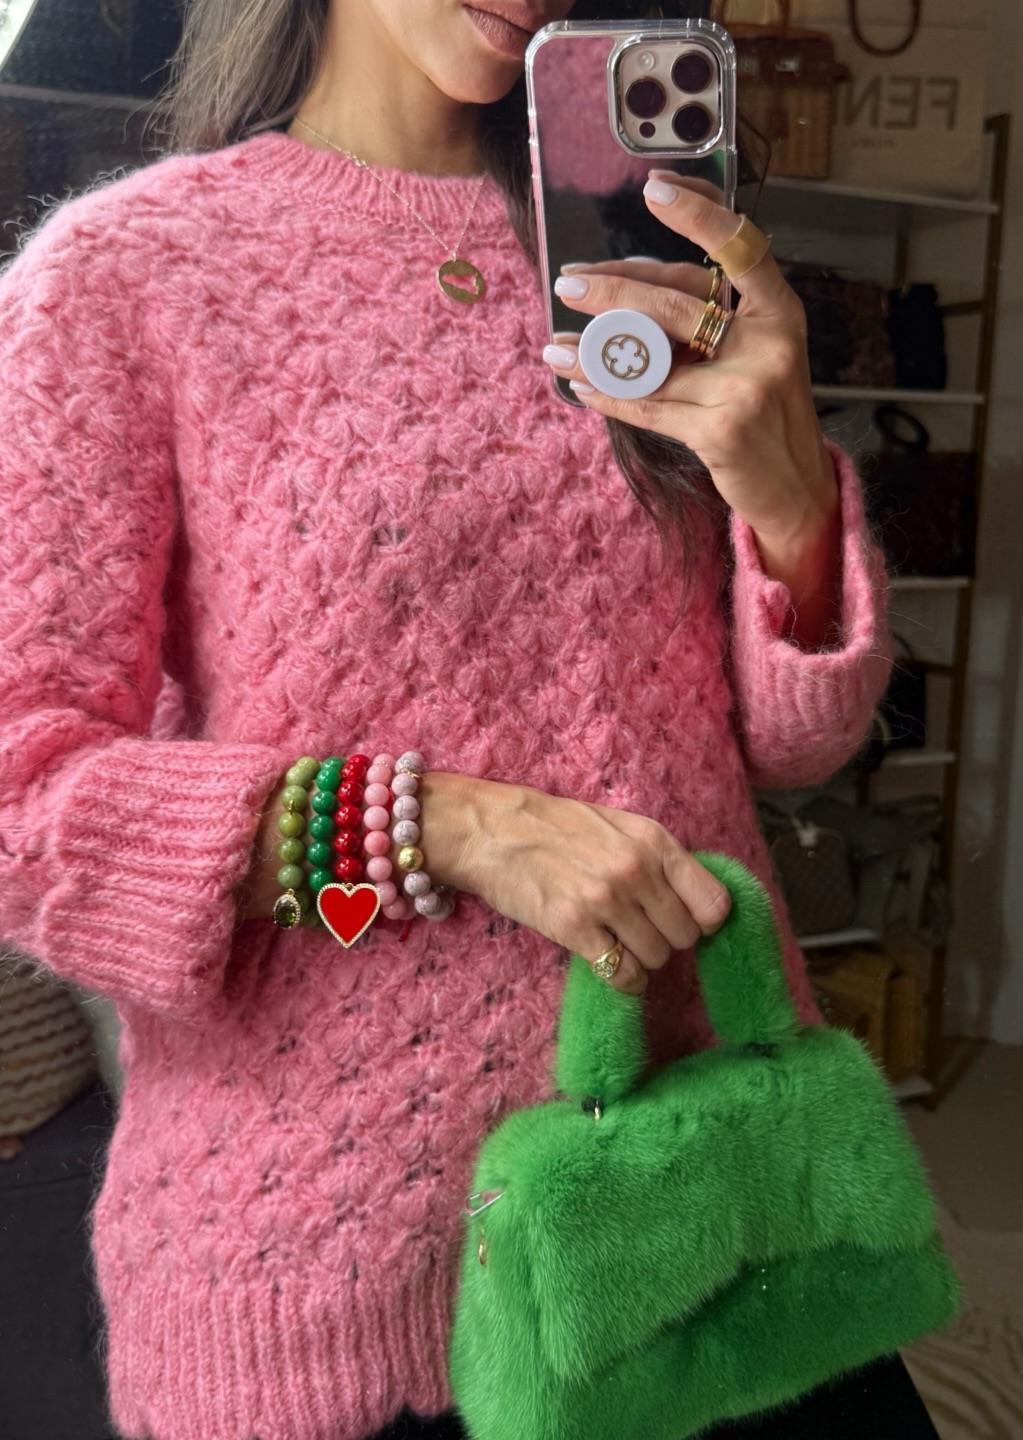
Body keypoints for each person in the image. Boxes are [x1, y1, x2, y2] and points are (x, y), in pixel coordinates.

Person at [0, 1, 938, 1438]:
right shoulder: (125, 278)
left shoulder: (643, 259)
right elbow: (26, 800)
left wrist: (795, 503)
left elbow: (794, 746)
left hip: (698, 1190)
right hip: (330, 1274)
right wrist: (439, 825)